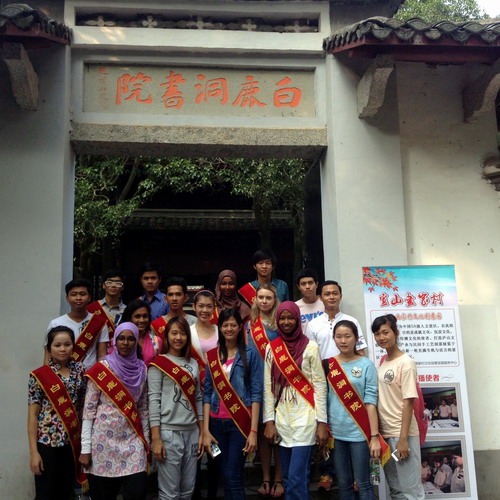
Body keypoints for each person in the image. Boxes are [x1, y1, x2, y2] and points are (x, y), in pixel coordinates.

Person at [306, 280, 367, 490]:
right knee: (327, 424)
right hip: (323, 378)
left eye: (335, 293)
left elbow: (361, 351)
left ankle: (356, 476)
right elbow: (310, 355)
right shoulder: (313, 324)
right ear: (320, 297)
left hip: (349, 379)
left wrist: (360, 377)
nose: (331, 297)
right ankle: (327, 472)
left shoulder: (351, 321)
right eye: (327, 294)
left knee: (351, 424)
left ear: (340, 296)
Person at [263, 302, 328, 500]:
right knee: (289, 479)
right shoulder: (272, 348)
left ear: (298, 319)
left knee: (297, 479)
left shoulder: (311, 347)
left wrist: (322, 423)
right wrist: (269, 422)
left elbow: (320, 386)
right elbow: (268, 387)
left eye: (290, 318)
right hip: (282, 420)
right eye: (282, 318)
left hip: (306, 420)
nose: (286, 322)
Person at [79, 322, 149, 500]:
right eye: (121, 338)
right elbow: (88, 411)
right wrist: (85, 448)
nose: (125, 343)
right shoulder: (102, 369)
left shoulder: (142, 369)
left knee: (137, 492)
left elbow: (143, 408)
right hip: (102, 443)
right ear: (115, 341)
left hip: (133, 441)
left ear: (136, 341)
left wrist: (146, 441)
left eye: (130, 339)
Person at [203, 308, 262, 499]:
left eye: (233, 325)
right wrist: (205, 430)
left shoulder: (251, 354)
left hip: (240, 423)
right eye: (225, 325)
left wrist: (253, 431)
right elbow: (207, 393)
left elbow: (256, 393)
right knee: (227, 475)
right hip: (216, 424)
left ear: (239, 327)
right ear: (220, 328)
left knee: (232, 475)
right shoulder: (212, 356)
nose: (229, 329)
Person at [148, 316, 204, 499]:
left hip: (192, 432)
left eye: (182, 333)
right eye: (174, 333)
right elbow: (154, 401)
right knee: (169, 493)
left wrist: (202, 432)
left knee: (188, 489)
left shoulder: (193, 363)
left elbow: (198, 398)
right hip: (168, 433)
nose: (178, 337)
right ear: (166, 337)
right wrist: (156, 438)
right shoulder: (158, 364)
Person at [28, 326, 87, 500]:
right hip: (47, 443)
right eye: (57, 345)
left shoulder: (80, 370)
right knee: (46, 493)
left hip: (72, 442)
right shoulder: (40, 376)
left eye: (67, 344)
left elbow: (83, 406)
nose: (62, 349)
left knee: (66, 492)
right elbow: (32, 415)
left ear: (73, 346)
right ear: (49, 348)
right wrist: (34, 452)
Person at [371, 314, 425, 500]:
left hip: (402, 435)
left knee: (411, 490)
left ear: (396, 333)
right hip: (386, 435)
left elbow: (409, 402)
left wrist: (403, 440)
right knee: (395, 489)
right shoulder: (383, 362)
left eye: (385, 332)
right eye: (377, 334)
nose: (381, 337)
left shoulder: (406, 363)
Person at [326, 320, 381, 500]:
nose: (343, 341)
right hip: (336, 434)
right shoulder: (327, 365)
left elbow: (370, 401)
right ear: (334, 339)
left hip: (359, 434)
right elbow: (323, 399)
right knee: (343, 484)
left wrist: (374, 437)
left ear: (356, 338)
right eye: (339, 337)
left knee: (363, 483)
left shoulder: (366, 365)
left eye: (348, 336)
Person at [246, 283, 284, 497]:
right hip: (256, 382)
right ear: (255, 299)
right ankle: (266, 478)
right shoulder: (249, 324)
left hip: (277, 383)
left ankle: (279, 478)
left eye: (268, 298)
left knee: (277, 432)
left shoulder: (280, 323)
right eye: (260, 297)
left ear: (274, 300)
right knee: (261, 431)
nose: (264, 301)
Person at [45, 279, 108, 370]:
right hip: (61, 375)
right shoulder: (55, 323)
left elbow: (102, 356)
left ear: (89, 297)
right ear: (67, 298)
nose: (78, 298)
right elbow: (48, 355)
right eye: (74, 294)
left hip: (90, 376)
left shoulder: (99, 323)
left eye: (82, 294)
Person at [151, 277, 196, 341]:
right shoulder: (156, 325)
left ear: (185, 298)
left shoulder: (195, 322)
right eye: (170, 295)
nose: (174, 298)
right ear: (165, 299)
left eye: (178, 294)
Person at [121, 299, 163, 366]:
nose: (142, 320)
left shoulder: (156, 342)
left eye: (145, 316)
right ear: (129, 318)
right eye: (137, 316)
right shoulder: (120, 340)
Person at [88, 268, 127, 339]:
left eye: (118, 283)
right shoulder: (92, 308)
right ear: (103, 285)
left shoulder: (127, 310)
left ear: (122, 287)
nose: (113, 285)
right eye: (109, 282)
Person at [294, 268, 324, 333]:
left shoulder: (325, 303)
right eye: (303, 284)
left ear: (317, 284)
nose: (307, 287)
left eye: (310, 283)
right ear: (298, 287)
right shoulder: (295, 307)